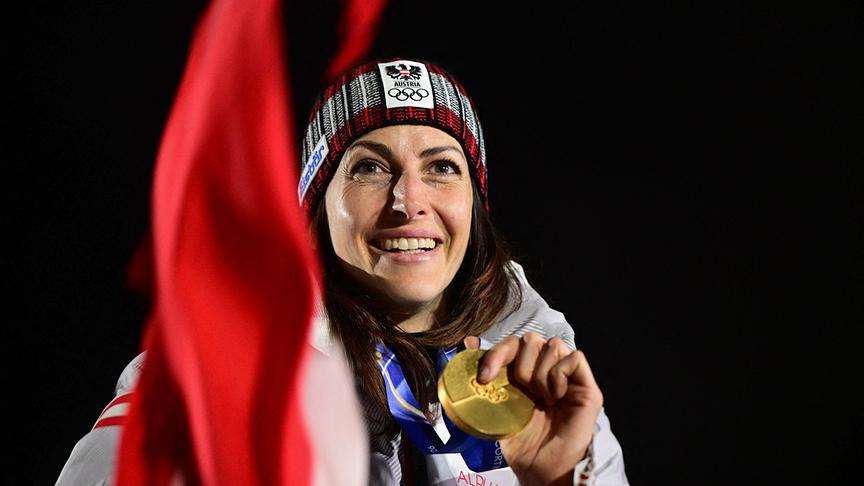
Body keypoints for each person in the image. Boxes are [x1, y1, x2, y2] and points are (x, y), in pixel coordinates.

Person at [300, 58, 628, 485]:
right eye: (369, 168)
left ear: (473, 205)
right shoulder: (246, 389)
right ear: (317, 209)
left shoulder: (546, 392)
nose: (408, 200)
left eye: (441, 167)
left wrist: (558, 480)